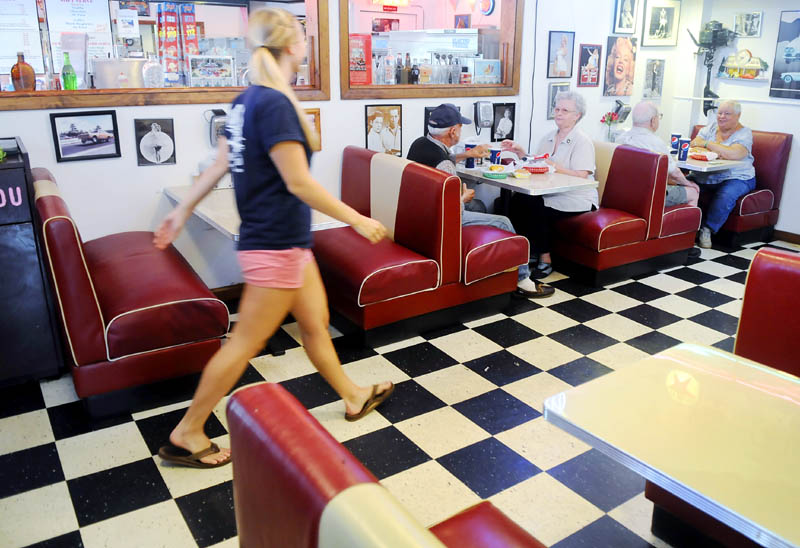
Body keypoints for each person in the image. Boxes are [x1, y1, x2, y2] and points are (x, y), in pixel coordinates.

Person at [153, 8, 394, 468]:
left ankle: (352, 395)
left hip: (285, 242)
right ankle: (188, 431)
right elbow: (298, 182)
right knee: (244, 343)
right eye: (303, 35)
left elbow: (220, 163)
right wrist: (356, 219)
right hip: (277, 244)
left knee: (314, 324)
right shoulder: (275, 104)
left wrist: (184, 209)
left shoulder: (246, 101)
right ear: (292, 47)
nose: (307, 43)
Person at [407, 104, 554, 298]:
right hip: (437, 220)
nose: (460, 131)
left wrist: (467, 154)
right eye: (460, 127)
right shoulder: (445, 165)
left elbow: (444, 158)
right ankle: (522, 279)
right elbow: (453, 212)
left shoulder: (420, 144)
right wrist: (463, 197)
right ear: (452, 131)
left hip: (416, 213)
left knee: (480, 206)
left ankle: (492, 265)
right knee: (503, 221)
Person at [502, 91, 597, 279]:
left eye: (565, 110)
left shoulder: (583, 141)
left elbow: (582, 175)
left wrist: (555, 167)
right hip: (550, 193)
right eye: (557, 109)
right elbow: (537, 163)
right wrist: (521, 153)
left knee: (535, 206)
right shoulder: (548, 137)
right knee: (516, 200)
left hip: (576, 197)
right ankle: (525, 253)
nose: (559, 113)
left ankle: (545, 258)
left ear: (577, 115)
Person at [689, 100, 756, 248]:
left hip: (737, 176)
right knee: (685, 185)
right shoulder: (710, 129)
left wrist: (708, 145)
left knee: (726, 195)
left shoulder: (744, 133)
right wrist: (719, 151)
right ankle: (685, 228)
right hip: (708, 175)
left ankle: (707, 229)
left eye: (727, 114)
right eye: (719, 113)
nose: (722, 117)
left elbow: (735, 154)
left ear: (738, 116)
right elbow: (694, 143)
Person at [615, 101, 699, 207]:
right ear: (653, 120)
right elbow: (675, 173)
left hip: (624, 193)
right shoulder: (655, 142)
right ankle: (684, 223)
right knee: (693, 192)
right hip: (647, 195)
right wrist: (689, 183)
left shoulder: (620, 139)